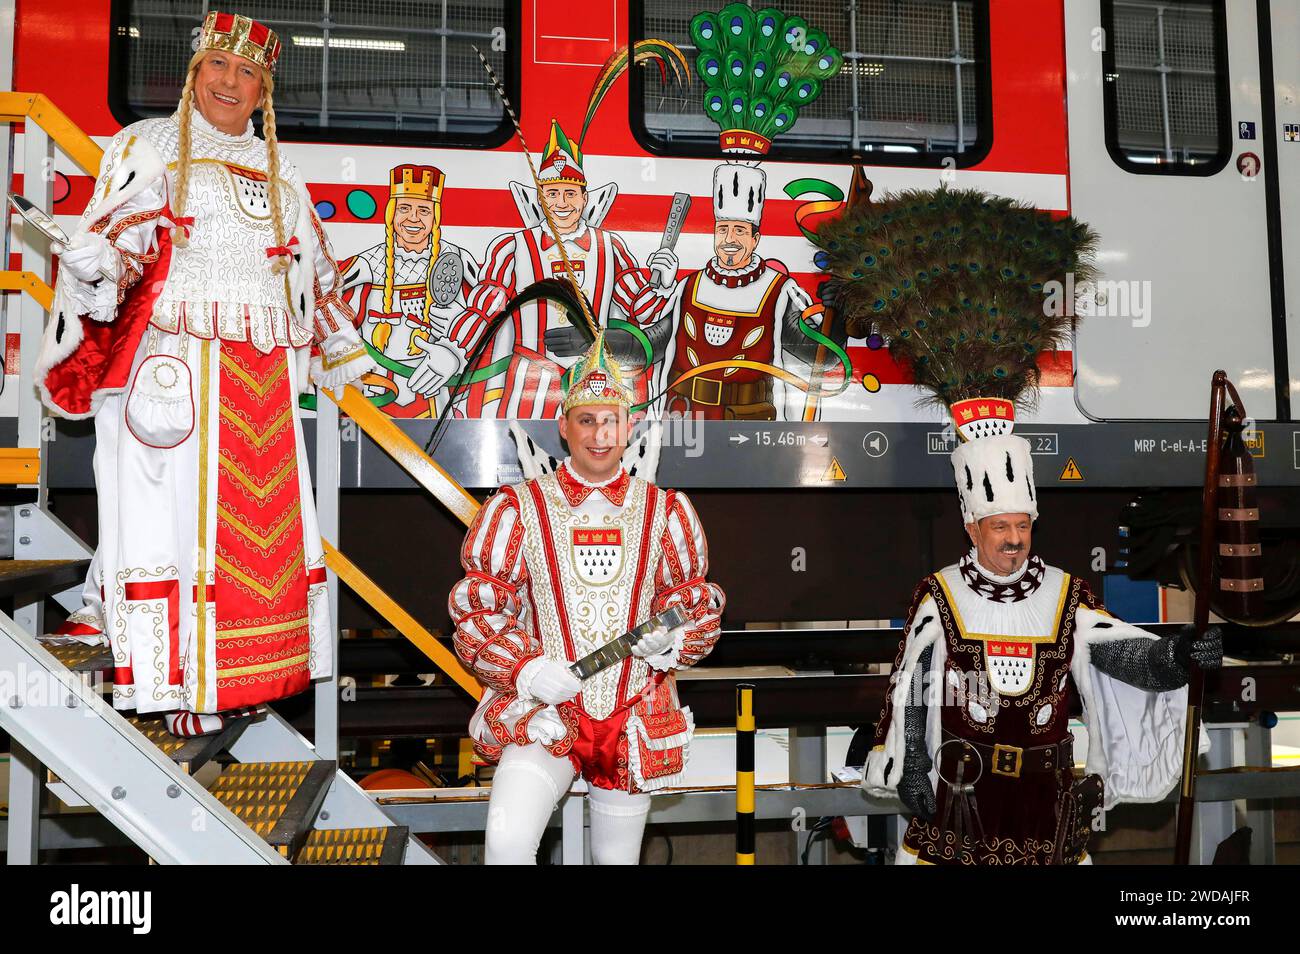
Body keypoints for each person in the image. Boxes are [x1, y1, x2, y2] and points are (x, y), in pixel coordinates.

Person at [38, 11, 374, 736]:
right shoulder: (148, 146)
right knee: (161, 519)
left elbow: (316, 278)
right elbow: (120, 244)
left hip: (262, 384)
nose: (231, 81)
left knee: (258, 540)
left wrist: (351, 357)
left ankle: (234, 679)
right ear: (194, 74)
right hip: (175, 369)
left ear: (264, 91)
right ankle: (159, 666)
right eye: (219, 66)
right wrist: (100, 267)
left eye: (247, 72)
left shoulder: (281, 173)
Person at [864, 400, 1222, 863]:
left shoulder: (1065, 594)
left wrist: (1178, 656)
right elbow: (914, 684)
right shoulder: (941, 593)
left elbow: (1124, 657)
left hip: (1045, 809)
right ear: (972, 528)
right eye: (999, 527)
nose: (1013, 538)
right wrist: (913, 761)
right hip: (961, 804)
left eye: (1022, 525)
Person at [448, 332, 724, 863]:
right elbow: (478, 605)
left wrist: (675, 641)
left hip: (633, 715)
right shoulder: (517, 507)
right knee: (506, 846)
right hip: (543, 712)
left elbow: (695, 601)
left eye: (611, 420)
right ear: (563, 427)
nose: (600, 434)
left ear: (630, 427)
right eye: (587, 420)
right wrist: (526, 670)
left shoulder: (664, 510)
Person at [425, 122, 672, 418]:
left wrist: (665, 286)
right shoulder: (513, 247)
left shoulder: (611, 246)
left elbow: (643, 309)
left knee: (593, 458)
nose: (561, 203)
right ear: (540, 199)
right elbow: (485, 308)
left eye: (570, 193)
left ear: (585, 198)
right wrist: (452, 350)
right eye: (552, 193)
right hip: (528, 386)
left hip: (594, 383)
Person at [338, 163, 479, 417]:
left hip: (436, 390)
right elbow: (325, 301)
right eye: (405, 208)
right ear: (391, 212)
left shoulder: (456, 259)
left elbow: (490, 314)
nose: (413, 218)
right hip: (378, 389)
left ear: (435, 215)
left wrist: (458, 345)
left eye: (423, 210)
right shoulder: (368, 263)